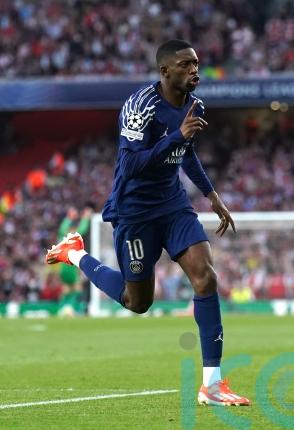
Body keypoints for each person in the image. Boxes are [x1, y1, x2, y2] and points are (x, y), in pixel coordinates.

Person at [46, 39, 250, 406]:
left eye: (196, 63)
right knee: (137, 301)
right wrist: (176, 137)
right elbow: (130, 165)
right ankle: (74, 253)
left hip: (172, 204)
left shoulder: (195, 105)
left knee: (206, 277)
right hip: (135, 211)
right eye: (186, 65)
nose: (194, 70)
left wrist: (211, 195)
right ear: (165, 71)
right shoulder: (140, 108)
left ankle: (212, 385)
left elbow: (185, 153)